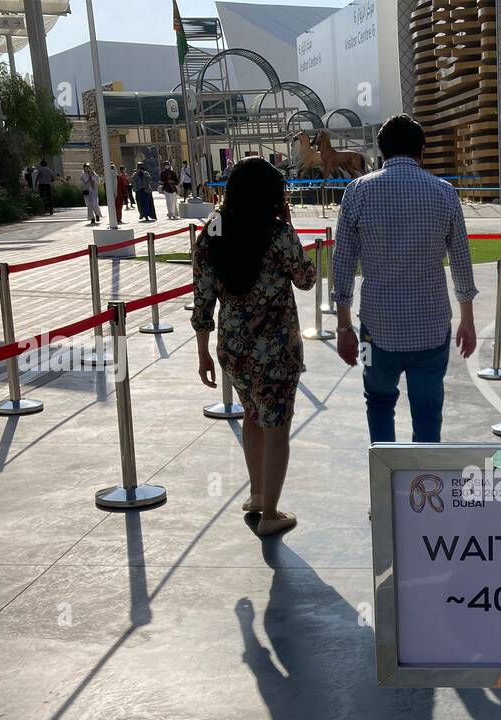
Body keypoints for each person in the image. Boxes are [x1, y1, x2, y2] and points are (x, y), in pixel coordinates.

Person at [331, 113, 478, 444]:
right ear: (422, 150)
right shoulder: (444, 193)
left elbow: (342, 264)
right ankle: (423, 487)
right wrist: (467, 319)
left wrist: (343, 328)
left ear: (382, 152)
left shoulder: (357, 192)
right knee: (428, 414)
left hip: (376, 328)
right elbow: (461, 260)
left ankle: (385, 484)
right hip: (432, 325)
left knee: (379, 403)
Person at [192, 158, 317, 537]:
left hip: (233, 347)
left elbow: (202, 299)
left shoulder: (212, 231)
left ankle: (258, 494)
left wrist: (202, 353)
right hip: (276, 350)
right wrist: (291, 228)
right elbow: (307, 279)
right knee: (277, 428)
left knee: (252, 417)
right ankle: (271, 514)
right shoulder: (279, 234)